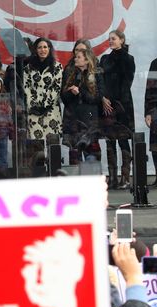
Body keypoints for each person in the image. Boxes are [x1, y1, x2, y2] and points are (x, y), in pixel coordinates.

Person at [100, 29, 135, 190]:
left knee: (123, 140)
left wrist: (115, 101)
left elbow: (127, 82)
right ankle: (113, 177)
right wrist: (103, 97)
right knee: (109, 141)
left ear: (121, 40)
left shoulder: (128, 59)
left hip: (122, 105)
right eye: (109, 39)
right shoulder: (105, 59)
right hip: (106, 104)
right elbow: (99, 80)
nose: (111, 41)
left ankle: (126, 178)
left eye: (113, 39)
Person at [61, 49, 103, 164]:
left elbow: (97, 98)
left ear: (86, 60)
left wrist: (80, 92)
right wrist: (71, 92)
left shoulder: (96, 75)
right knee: (75, 160)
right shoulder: (71, 74)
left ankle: (92, 181)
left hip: (89, 124)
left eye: (78, 57)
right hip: (73, 122)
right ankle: (76, 182)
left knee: (92, 159)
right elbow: (64, 97)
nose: (75, 59)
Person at [23, 37, 63, 141]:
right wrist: (33, 105)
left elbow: (57, 87)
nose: (42, 50)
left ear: (49, 49)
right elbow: (27, 87)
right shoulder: (28, 68)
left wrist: (46, 105)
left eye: (45, 47)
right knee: (36, 147)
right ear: (35, 50)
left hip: (51, 111)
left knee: (53, 146)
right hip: (34, 112)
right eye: (39, 47)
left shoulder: (57, 67)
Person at [144, 57, 157, 186]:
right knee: (155, 145)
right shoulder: (155, 63)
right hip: (156, 108)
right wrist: (148, 112)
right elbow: (150, 88)